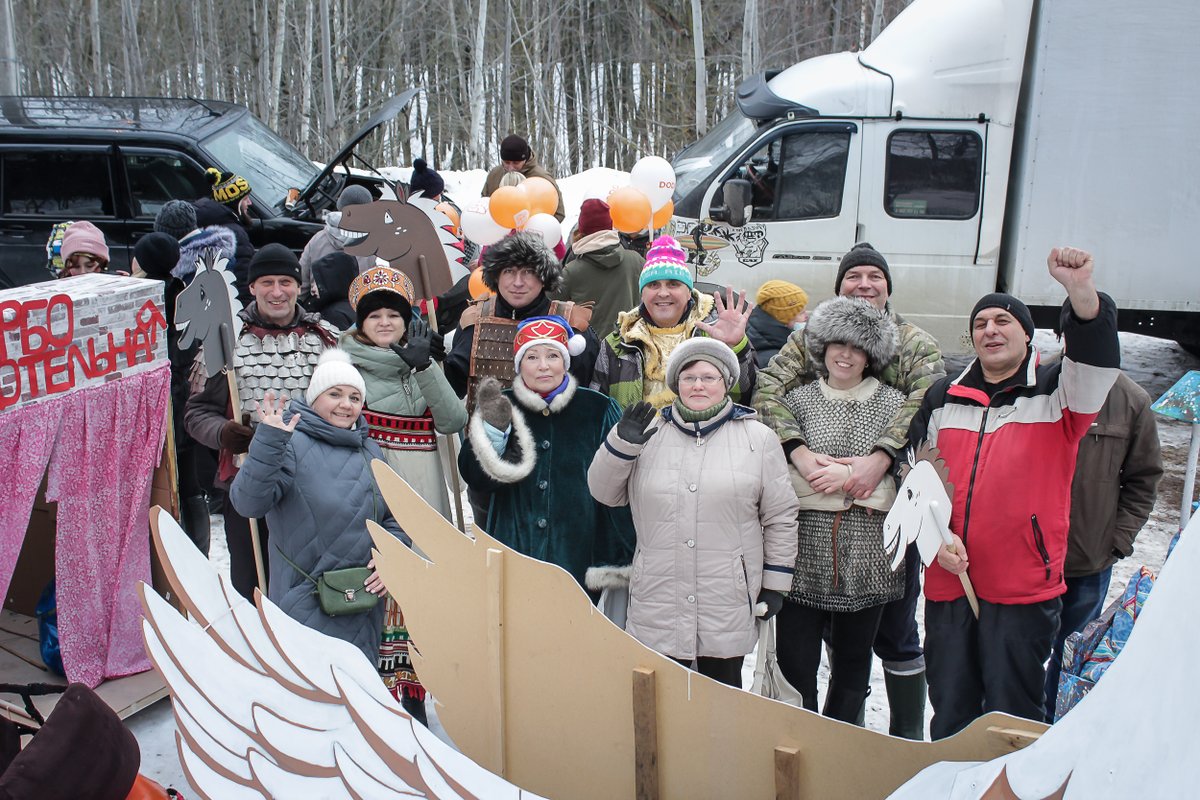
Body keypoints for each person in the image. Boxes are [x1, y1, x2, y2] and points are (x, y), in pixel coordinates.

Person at [909, 246, 1120, 739]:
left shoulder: (1058, 393)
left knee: (1012, 715)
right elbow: (914, 482)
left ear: (1027, 334)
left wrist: (1080, 291)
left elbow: (1096, 357)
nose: (990, 329)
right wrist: (934, 541)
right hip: (949, 582)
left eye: (1004, 320)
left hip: (1021, 586)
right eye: (981, 322)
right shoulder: (943, 396)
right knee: (951, 707)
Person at [753, 242, 944, 740]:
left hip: (884, 521)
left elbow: (927, 406)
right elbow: (769, 391)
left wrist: (878, 461)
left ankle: (894, 737)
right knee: (808, 646)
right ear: (838, 289)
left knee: (893, 635)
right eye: (853, 276)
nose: (864, 284)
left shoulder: (914, 343)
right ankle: (813, 742)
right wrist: (798, 452)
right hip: (812, 528)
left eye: (873, 276)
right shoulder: (810, 341)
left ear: (888, 285)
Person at [588, 338, 797, 686]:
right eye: (688, 378)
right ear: (676, 386)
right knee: (659, 703)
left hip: (726, 599)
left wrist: (775, 583)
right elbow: (604, 493)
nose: (698, 385)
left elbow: (780, 517)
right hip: (658, 597)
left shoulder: (758, 439)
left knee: (721, 705)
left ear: (726, 383)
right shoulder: (648, 434)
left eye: (709, 377)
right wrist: (621, 444)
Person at [770, 297, 906, 721]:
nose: (846, 355)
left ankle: (840, 745)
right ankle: (799, 744)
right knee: (796, 668)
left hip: (869, 559)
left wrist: (845, 482)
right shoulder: (798, 402)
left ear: (870, 358)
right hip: (801, 557)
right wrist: (854, 484)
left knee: (852, 669)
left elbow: (903, 485)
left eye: (857, 348)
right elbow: (781, 480)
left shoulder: (894, 405)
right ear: (822, 350)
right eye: (837, 345)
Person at [229, 350, 409, 661]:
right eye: (335, 394)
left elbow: (394, 518)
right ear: (314, 398)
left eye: (355, 397)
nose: (346, 404)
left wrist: (389, 557)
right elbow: (248, 503)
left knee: (355, 696)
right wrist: (268, 441)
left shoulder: (370, 450)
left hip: (363, 602)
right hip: (305, 600)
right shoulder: (289, 443)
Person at [185, 243, 339, 600]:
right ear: (251, 287)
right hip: (246, 479)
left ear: (299, 286)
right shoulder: (225, 340)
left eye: (285, 281)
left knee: (309, 580)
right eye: (266, 282)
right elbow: (195, 414)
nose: (276, 291)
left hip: (312, 482)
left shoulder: (326, 339)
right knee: (253, 580)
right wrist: (223, 433)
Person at [1042, 302, 1162, 721]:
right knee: (1018, 656)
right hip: (1025, 558)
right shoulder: (1035, 386)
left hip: (1086, 561)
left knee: (1069, 654)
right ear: (1060, 338)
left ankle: (1052, 731)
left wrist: (1116, 539)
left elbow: (1144, 479)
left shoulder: (1131, 400)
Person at [457, 316, 629, 589]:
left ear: (565, 362)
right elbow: (474, 477)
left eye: (552, 356)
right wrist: (494, 434)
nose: (543, 366)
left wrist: (623, 549)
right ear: (519, 364)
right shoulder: (501, 405)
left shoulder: (597, 408)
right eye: (532, 357)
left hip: (580, 549)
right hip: (515, 545)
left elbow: (619, 484)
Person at [341, 266, 467, 521]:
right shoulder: (345, 370)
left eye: (394, 315)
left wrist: (425, 367)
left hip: (429, 494)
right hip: (376, 494)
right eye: (374, 315)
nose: (385, 322)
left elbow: (453, 421)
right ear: (362, 323)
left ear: (406, 321)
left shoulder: (425, 363)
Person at [591, 234, 756, 411]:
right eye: (653, 285)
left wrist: (737, 347)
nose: (663, 293)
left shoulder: (714, 333)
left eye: (673, 284)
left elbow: (743, 397)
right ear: (642, 294)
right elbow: (597, 411)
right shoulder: (616, 345)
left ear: (688, 292)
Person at [445, 231, 598, 401]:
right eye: (509, 271)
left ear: (543, 277)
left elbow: (587, 400)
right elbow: (452, 391)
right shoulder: (475, 319)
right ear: (496, 276)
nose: (518, 282)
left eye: (528, 272)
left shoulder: (572, 324)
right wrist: (433, 362)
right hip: (483, 426)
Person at [132, 232, 210, 555]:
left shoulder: (141, 300)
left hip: (160, 405)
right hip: (186, 400)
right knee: (189, 482)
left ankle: (171, 553)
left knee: (166, 485)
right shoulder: (185, 293)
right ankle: (198, 552)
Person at [554, 199, 644, 340]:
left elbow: (547, 304)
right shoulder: (636, 260)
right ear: (610, 226)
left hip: (587, 349)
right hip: (628, 346)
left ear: (581, 230)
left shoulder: (572, 271)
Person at [299, 185, 376, 297]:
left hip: (318, 310)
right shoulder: (375, 245)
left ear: (339, 205)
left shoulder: (317, 240)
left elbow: (302, 285)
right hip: (358, 311)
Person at [195, 168, 256, 303]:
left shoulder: (204, 224)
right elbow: (242, 279)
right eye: (246, 199)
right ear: (236, 203)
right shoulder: (235, 234)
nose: (250, 203)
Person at [482, 134, 566, 221]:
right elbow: (484, 204)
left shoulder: (542, 178)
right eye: (506, 162)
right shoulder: (495, 175)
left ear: (525, 159)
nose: (510, 168)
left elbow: (559, 213)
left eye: (516, 163)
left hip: (534, 232)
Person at [747, 279, 808, 367]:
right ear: (783, 317)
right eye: (801, 313)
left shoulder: (768, 341)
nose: (806, 317)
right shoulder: (773, 359)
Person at [306, 252, 360, 331]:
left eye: (318, 281)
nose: (313, 289)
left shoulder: (333, 315)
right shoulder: (359, 307)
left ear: (332, 282)